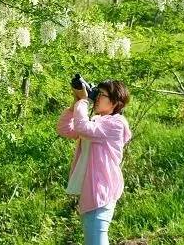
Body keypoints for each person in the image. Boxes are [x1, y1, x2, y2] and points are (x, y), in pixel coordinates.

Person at [56, 80, 132, 245]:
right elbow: (64, 129)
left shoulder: (116, 124)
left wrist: (85, 101)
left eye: (101, 95)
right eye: (96, 94)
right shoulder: (97, 121)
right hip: (90, 190)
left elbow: (82, 127)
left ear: (115, 102)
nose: (96, 98)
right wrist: (75, 104)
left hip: (101, 191)